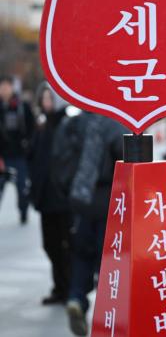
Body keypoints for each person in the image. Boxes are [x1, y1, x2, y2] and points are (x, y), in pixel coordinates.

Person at [64, 112, 126, 336]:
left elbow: (61, 160)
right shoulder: (115, 124)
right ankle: (106, 313)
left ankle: (76, 298)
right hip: (107, 199)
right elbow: (128, 161)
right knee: (107, 261)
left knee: (81, 254)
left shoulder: (75, 123)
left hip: (80, 200)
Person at [28, 83, 73, 305]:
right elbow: (35, 157)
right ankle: (61, 286)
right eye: (44, 98)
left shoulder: (67, 124)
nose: (46, 102)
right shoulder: (41, 126)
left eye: (50, 98)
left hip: (63, 197)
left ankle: (68, 288)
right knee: (50, 244)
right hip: (45, 195)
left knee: (66, 244)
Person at [0, 75, 35, 224]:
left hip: (20, 155)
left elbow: (32, 128)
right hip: (2, 156)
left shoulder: (22, 106)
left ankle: (23, 212)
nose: (5, 89)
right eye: (2, 86)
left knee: (22, 188)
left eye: (7, 86)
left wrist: (28, 146)